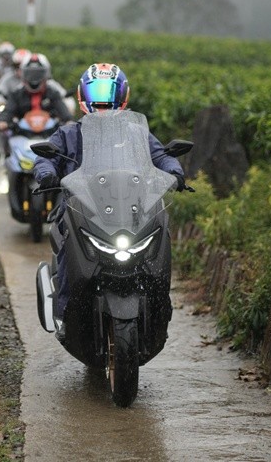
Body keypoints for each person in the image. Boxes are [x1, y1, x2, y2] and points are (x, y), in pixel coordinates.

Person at [32, 63, 186, 337]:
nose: (102, 100)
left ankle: (161, 304)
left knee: (161, 234)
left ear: (122, 97)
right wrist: (46, 173)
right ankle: (65, 311)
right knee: (68, 243)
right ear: (83, 96)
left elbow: (160, 155)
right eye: (96, 92)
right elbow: (47, 157)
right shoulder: (70, 133)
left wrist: (173, 169)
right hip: (81, 209)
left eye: (109, 93)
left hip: (131, 208)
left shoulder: (136, 133)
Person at [0, 53, 74, 156]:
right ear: (23, 74)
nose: (34, 78)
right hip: (22, 133)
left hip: (50, 134)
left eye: (38, 74)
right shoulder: (16, 94)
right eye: (30, 74)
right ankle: (4, 157)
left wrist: (69, 120)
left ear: (46, 75)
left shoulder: (53, 93)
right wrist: (3, 121)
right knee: (5, 137)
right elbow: (8, 110)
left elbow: (63, 110)